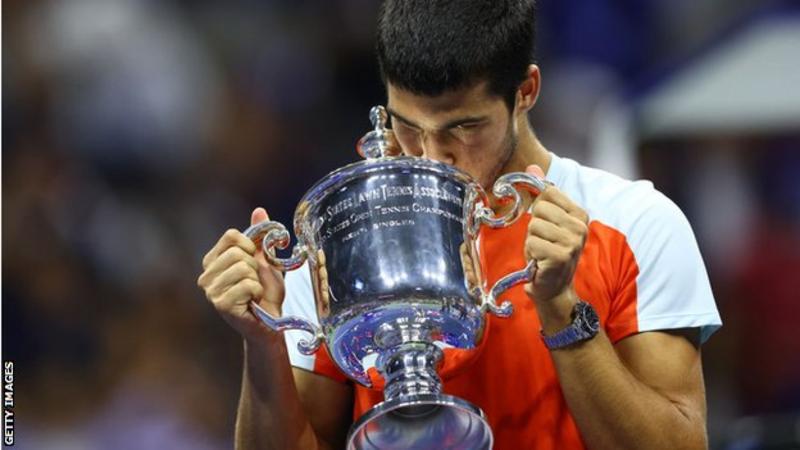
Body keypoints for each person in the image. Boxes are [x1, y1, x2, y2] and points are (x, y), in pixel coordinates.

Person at [197, 1, 722, 448]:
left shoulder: (636, 222)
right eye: (407, 126)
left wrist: (562, 307)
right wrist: (261, 341)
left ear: (525, 92)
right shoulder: (342, 237)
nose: (432, 155)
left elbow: (680, 441)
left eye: (464, 127)